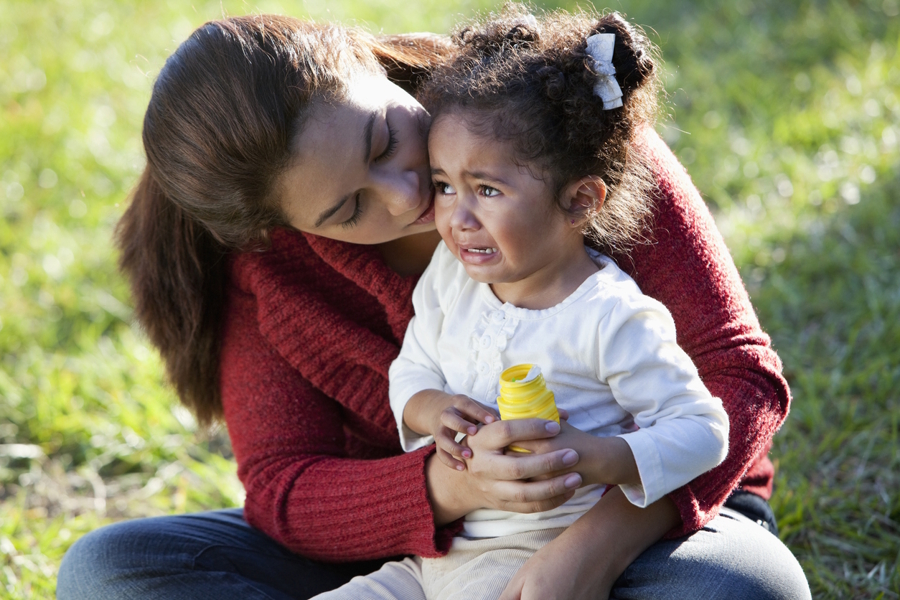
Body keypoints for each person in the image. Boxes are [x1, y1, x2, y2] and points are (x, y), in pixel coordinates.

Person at [56, 6, 810, 600]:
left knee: (744, 586)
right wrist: (450, 485)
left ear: (367, 59)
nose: (409, 192)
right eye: (348, 210)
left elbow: (738, 377)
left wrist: (594, 548)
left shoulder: (555, 123)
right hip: (423, 560)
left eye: (385, 139)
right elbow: (285, 490)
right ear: (281, 228)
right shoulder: (273, 269)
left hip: (649, 523)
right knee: (112, 571)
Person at [311, 9, 731, 599]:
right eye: (444, 185)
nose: (454, 217)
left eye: (487, 189)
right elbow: (410, 369)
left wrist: (602, 458)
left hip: (536, 556)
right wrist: (433, 411)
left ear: (579, 200)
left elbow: (703, 432)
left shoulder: (610, 317)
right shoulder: (450, 277)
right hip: (437, 554)